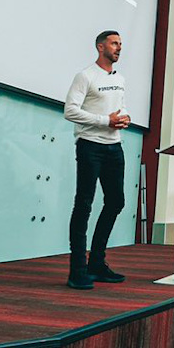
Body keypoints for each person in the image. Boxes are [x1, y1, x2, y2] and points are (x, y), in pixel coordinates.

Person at [64, 30, 130, 290]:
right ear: (100, 47)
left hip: (115, 147)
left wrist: (124, 118)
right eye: (114, 43)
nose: (119, 48)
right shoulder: (85, 76)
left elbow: (119, 107)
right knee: (84, 205)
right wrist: (105, 121)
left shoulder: (120, 79)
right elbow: (70, 111)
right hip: (90, 147)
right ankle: (77, 270)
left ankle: (97, 263)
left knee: (116, 202)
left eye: (121, 44)